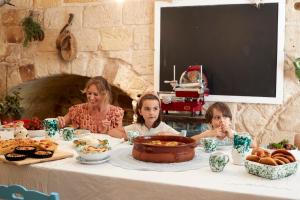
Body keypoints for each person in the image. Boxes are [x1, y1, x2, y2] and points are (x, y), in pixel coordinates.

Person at [57, 76, 124, 135]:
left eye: (95, 94)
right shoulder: (78, 109)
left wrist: (107, 131)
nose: (91, 98)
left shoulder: (115, 113)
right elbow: (60, 123)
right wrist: (59, 122)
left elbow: (121, 137)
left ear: (104, 95)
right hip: (82, 148)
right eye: (89, 93)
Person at [110, 93, 178, 139]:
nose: (151, 113)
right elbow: (112, 132)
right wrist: (130, 136)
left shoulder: (164, 128)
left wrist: (168, 135)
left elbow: (183, 137)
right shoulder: (136, 127)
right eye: (147, 109)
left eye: (155, 108)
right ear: (140, 112)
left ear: (159, 110)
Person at [192, 102, 257, 147]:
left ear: (230, 121)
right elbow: (189, 142)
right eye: (217, 117)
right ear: (210, 122)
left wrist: (233, 136)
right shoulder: (208, 134)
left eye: (225, 117)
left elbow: (254, 145)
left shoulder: (233, 134)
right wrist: (208, 134)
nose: (222, 120)